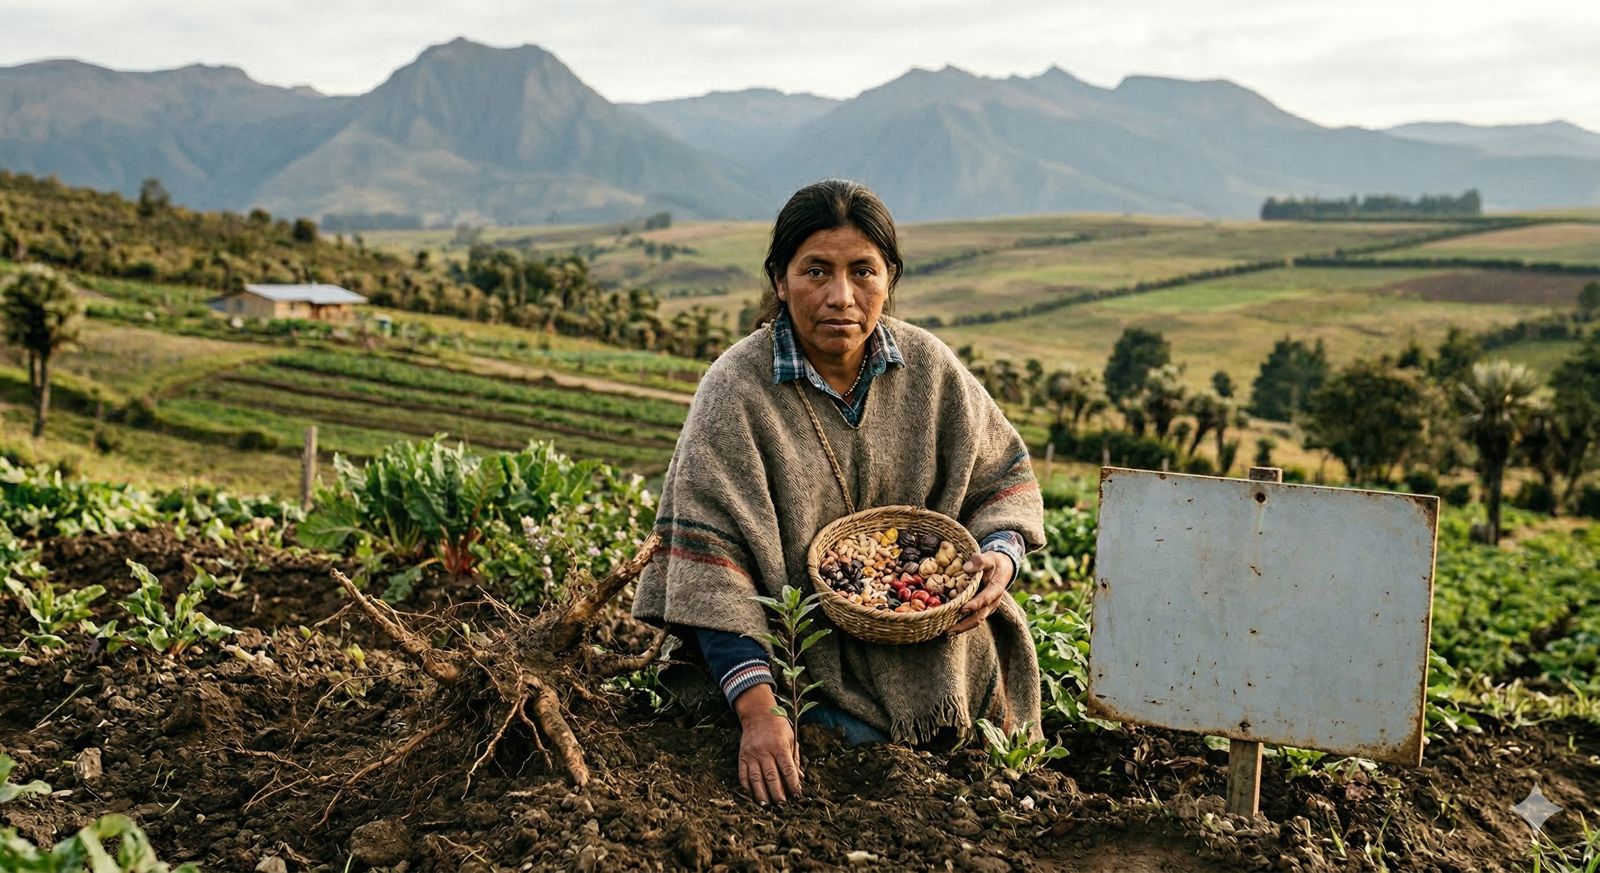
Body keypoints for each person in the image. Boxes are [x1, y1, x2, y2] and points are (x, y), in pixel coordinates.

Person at [632, 179, 1045, 805]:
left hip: (928, 642)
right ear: (779, 279)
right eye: (816, 271)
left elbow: (1003, 479)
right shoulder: (735, 393)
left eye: (863, 272)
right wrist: (758, 715)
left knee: (975, 726)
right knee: (829, 744)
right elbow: (711, 577)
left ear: (890, 277)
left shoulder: (929, 369)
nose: (840, 297)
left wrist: (1000, 554)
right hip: (794, 658)